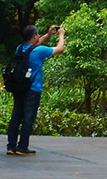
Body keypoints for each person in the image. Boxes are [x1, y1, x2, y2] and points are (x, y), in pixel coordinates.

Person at [6, 24, 66, 156]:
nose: (39, 36)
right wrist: (61, 35)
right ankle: (22, 147)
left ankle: (11, 146)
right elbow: (59, 49)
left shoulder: (20, 48)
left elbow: (33, 45)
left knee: (16, 117)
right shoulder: (39, 51)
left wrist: (48, 35)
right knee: (28, 118)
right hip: (33, 89)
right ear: (34, 36)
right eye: (38, 34)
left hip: (19, 87)